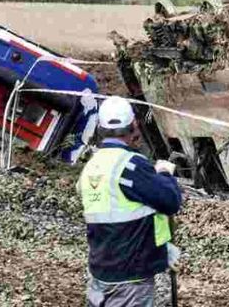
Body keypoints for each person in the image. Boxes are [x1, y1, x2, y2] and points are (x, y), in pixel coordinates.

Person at [78, 96, 182, 307]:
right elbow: (170, 201)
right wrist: (164, 174)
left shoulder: (91, 167)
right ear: (134, 125)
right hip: (130, 280)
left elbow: (121, 214)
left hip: (101, 272)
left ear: (100, 128)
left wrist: (161, 250)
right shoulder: (130, 166)